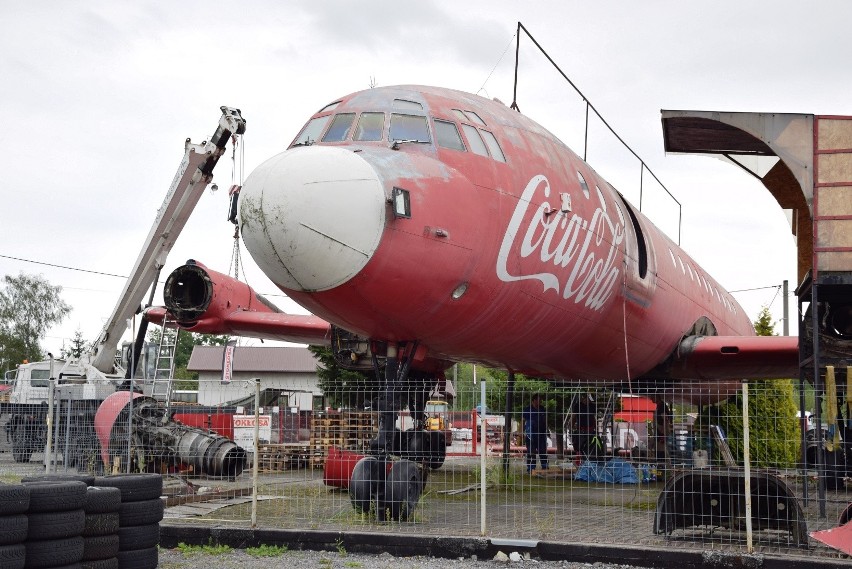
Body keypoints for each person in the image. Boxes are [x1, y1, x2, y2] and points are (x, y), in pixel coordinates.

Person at [522, 394, 549, 472]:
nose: (540, 402)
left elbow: (545, 420)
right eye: (538, 400)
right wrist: (521, 431)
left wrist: (547, 429)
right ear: (533, 400)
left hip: (541, 433)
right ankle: (531, 468)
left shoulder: (542, 409)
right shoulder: (527, 409)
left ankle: (545, 466)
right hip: (531, 434)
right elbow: (523, 421)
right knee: (531, 451)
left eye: (541, 400)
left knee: (543, 450)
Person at [571, 393, 597, 459]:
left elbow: (593, 417)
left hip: (590, 429)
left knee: (590, 445)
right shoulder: (578, 406)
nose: (588, 401)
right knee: (580, 445)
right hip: (581, 429)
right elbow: (573, 417)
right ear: (583, 398)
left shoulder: (592, 406)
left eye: (589, 400)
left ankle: (588, 458)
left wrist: (595, 427)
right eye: (586, 399)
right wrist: (571, 425)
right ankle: (580, 458)